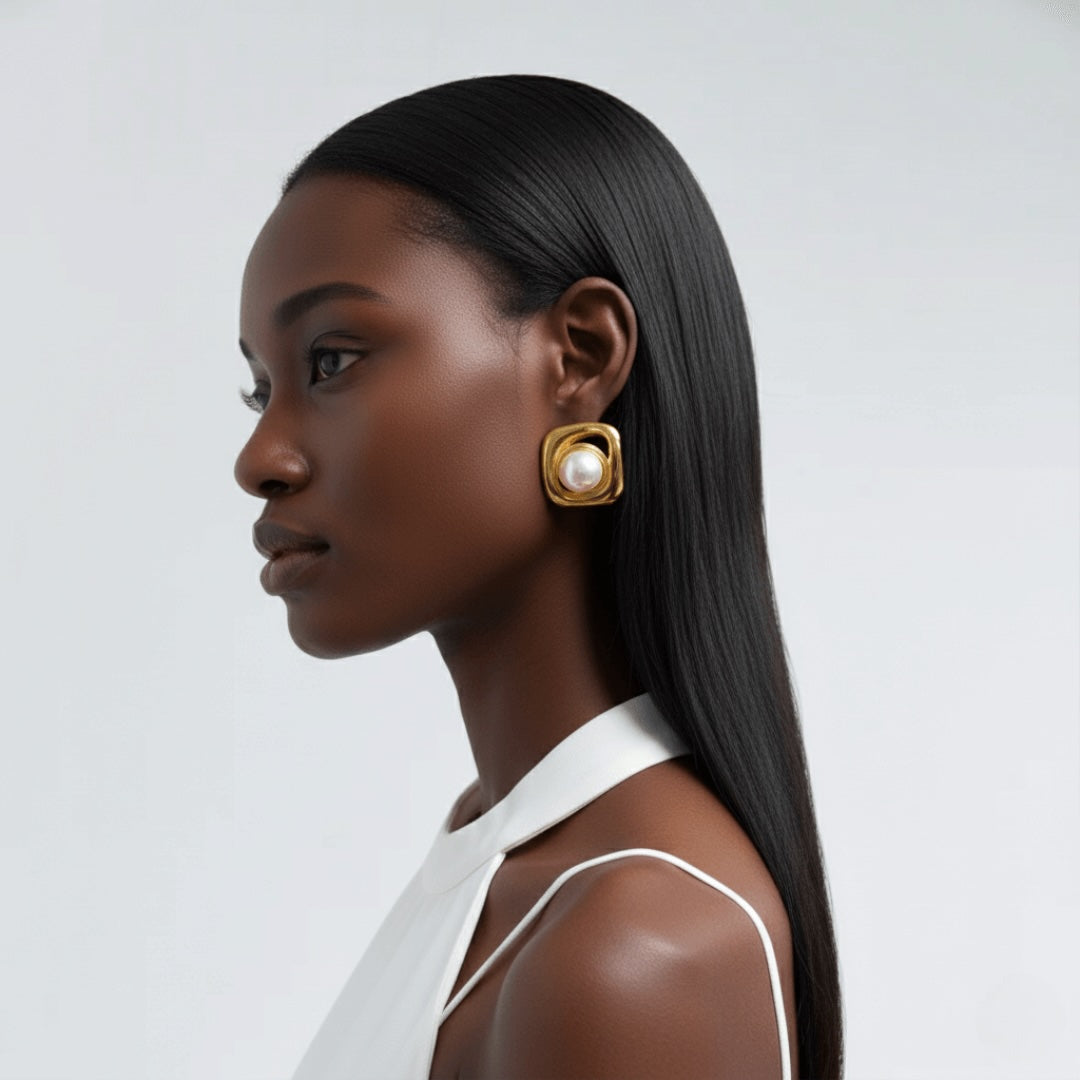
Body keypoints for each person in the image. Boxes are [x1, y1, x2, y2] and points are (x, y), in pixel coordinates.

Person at [234, 74, 843, 1080]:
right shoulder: (499, 848)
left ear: (581, 354)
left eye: (332, 361)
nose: (261, 455)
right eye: (261, 387)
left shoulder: (630, 949)